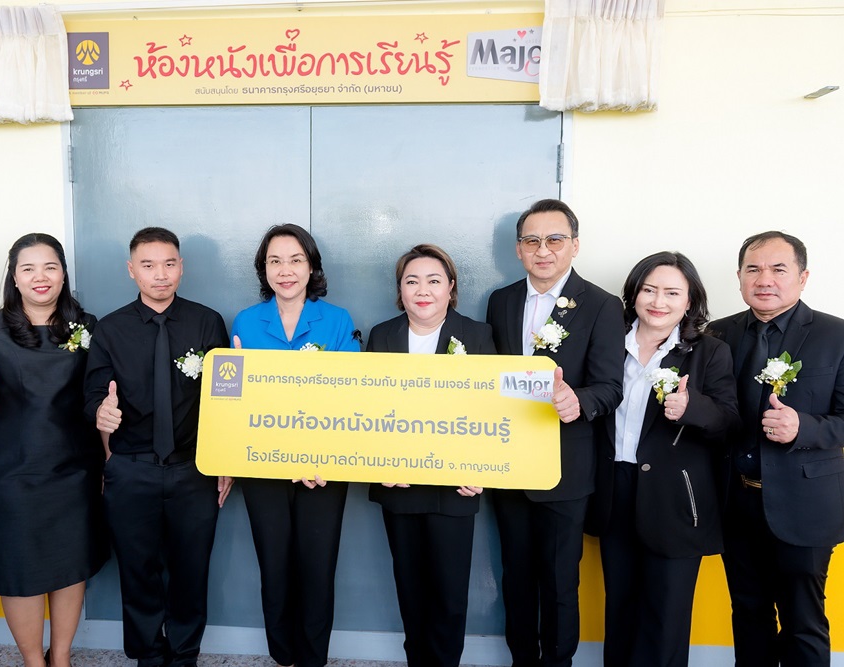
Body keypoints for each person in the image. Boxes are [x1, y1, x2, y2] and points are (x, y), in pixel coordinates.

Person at [0, 233, 107, 667]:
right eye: (28, 268)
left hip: (74, 470)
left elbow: (98, 399)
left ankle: (61, 657)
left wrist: (108, 462)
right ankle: (33, 661)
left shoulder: (87, 326)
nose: (41, 277)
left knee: (70, 567)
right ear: (15, 277)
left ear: (63, 274)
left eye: (50, 267)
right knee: (20, 572)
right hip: (10, 473)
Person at [485, 198, 624, 667]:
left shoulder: (602, 305)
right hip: (509, 464)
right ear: (519, 249)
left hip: (567, 467)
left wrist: (576, 401)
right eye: (531, 240)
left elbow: (610, 387)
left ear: (574, 246)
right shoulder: (501, 300)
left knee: (561, 580)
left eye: (554, 240)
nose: (542, 250)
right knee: (516, 576)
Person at [84, 227, 231, 667]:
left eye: (169, 264)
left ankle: (184, 656)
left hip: (194, 469)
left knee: (191, 570)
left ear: (181, 267)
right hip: (131, 468)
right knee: (137, 571)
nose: (160, 275)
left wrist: (225, 460)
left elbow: (227, 400)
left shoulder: (207, 322)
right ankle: (148, 656)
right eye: (148, 265)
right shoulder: (110, 329)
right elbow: (93, 394)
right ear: (132, 271)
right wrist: (101, 413)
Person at [585, 251, 738, 667]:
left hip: (676, 498)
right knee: (620, 608)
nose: (658, 301)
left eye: (672, 293)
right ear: (633, 294)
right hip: (614, 489)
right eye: (649, 290)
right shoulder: (606, 343)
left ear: (689, 301)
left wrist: (692, 408)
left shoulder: (710, 352)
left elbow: (728, 421)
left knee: (666, 616)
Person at [710, 231, 844, 667]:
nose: (764, 279)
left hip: (806, 505)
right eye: (753, 269)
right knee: (748, 615)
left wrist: (803, 427)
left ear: (803, 277)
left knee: (804, 621)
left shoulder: (836, 335)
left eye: (778, 269)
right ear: (739, 276)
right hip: (735, 501)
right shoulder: (717, 334)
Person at [230, 223, 360, 667]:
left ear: (311, 266)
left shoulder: (338, 321)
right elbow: (235, 401)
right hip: (263, 465)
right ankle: (282, 655)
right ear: (263, 269)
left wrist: (313, 455)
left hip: (323, 469)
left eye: (295, 260)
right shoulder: (246, 322)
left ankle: (312, 658)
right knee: (274, 565)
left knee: (318, 567)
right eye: (275, 261)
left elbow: (349, 397)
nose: (285, 270)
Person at [365, 243, 494, 667]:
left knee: (449, 596)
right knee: (411, 590)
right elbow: (366, 409)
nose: (423, 290)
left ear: (451, 287)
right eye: (412, 281)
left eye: (434, 280)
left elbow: (494, 410)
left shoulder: (478, 335)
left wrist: (481, 468)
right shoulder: (382, 335)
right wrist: (378, 463)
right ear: (400, 289)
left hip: (455, 487)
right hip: (399, 486)